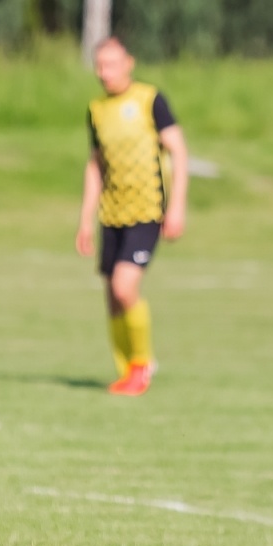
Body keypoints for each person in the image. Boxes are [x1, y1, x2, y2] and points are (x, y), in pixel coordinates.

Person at [76, 36, 188, 397]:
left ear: (129, 63)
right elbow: (95, 165)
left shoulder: (150, 100)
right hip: (112, 214)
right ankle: (126, 372)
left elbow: (179, 151)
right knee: (112, 296)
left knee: (125, 288)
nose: (103, 72)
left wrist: (177, 205)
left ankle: (142, 365)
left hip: (146, 209)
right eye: (99, 65)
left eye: (111, 64)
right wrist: (85, 219)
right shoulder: (96, 109)